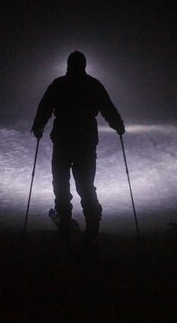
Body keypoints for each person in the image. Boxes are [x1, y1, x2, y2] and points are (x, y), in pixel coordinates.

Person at [32, 51, 125, 244]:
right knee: (84, 183)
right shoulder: (92, 85)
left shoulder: (59, 84)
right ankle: (92, 223)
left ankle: (65, 222)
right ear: (84, 65)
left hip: (64, 140)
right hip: (85, 141)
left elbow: (45, 107)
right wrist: (118, 125)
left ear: (68, 65)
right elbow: (107, 107)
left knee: (60, 182)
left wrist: (39, 126)